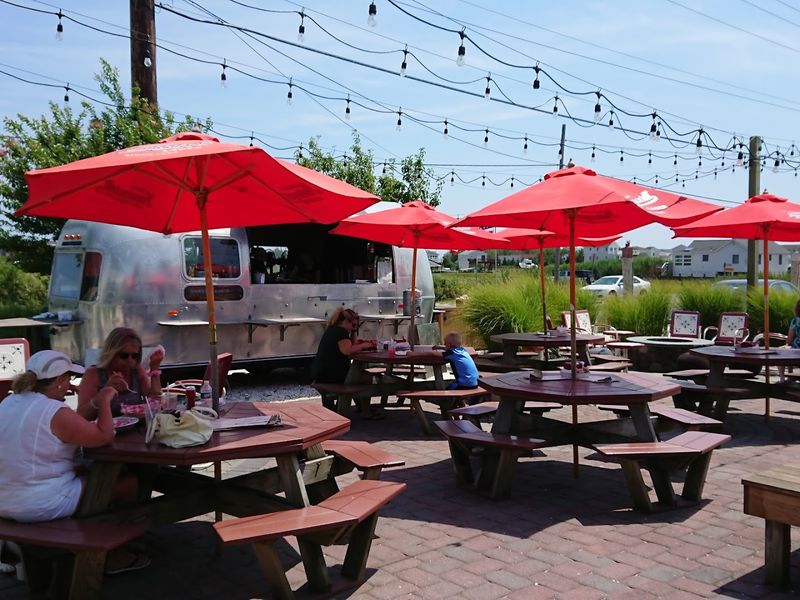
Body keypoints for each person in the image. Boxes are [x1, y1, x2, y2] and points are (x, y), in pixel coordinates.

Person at [78, 327, 164, 419]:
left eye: (135, 355)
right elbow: (82, 416)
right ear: (111, 354)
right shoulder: (94, 374)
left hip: (136, 429)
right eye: (124, 355)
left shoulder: (136, 371)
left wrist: (154, 368)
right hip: (106, 431)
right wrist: (105, 393)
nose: (130, 360)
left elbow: (156, 402)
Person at [311, 307, 381, 418]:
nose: (354, 328)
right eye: (353, 325)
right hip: (330, 374)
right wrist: (363, 345)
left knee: (357, 378)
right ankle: (366, 411)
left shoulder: (333, 329)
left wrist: (353, 331)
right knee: (366, 378)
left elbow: (352, 344)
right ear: (345, 322)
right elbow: (347, 351)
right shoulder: (340, 332)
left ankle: (361, 407)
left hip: (322, 373)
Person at [410, 331, 479, 390]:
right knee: (450, 384)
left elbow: (433, 354)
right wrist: (440, 347)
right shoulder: (463, 351)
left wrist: (414, 354)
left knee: (448, 389)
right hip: (475, 382)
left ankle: (446, 403)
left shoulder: (451, 353)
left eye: (445, 343)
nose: (444, 345)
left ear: (449, 344)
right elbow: (450, 348)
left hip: (464, 384)